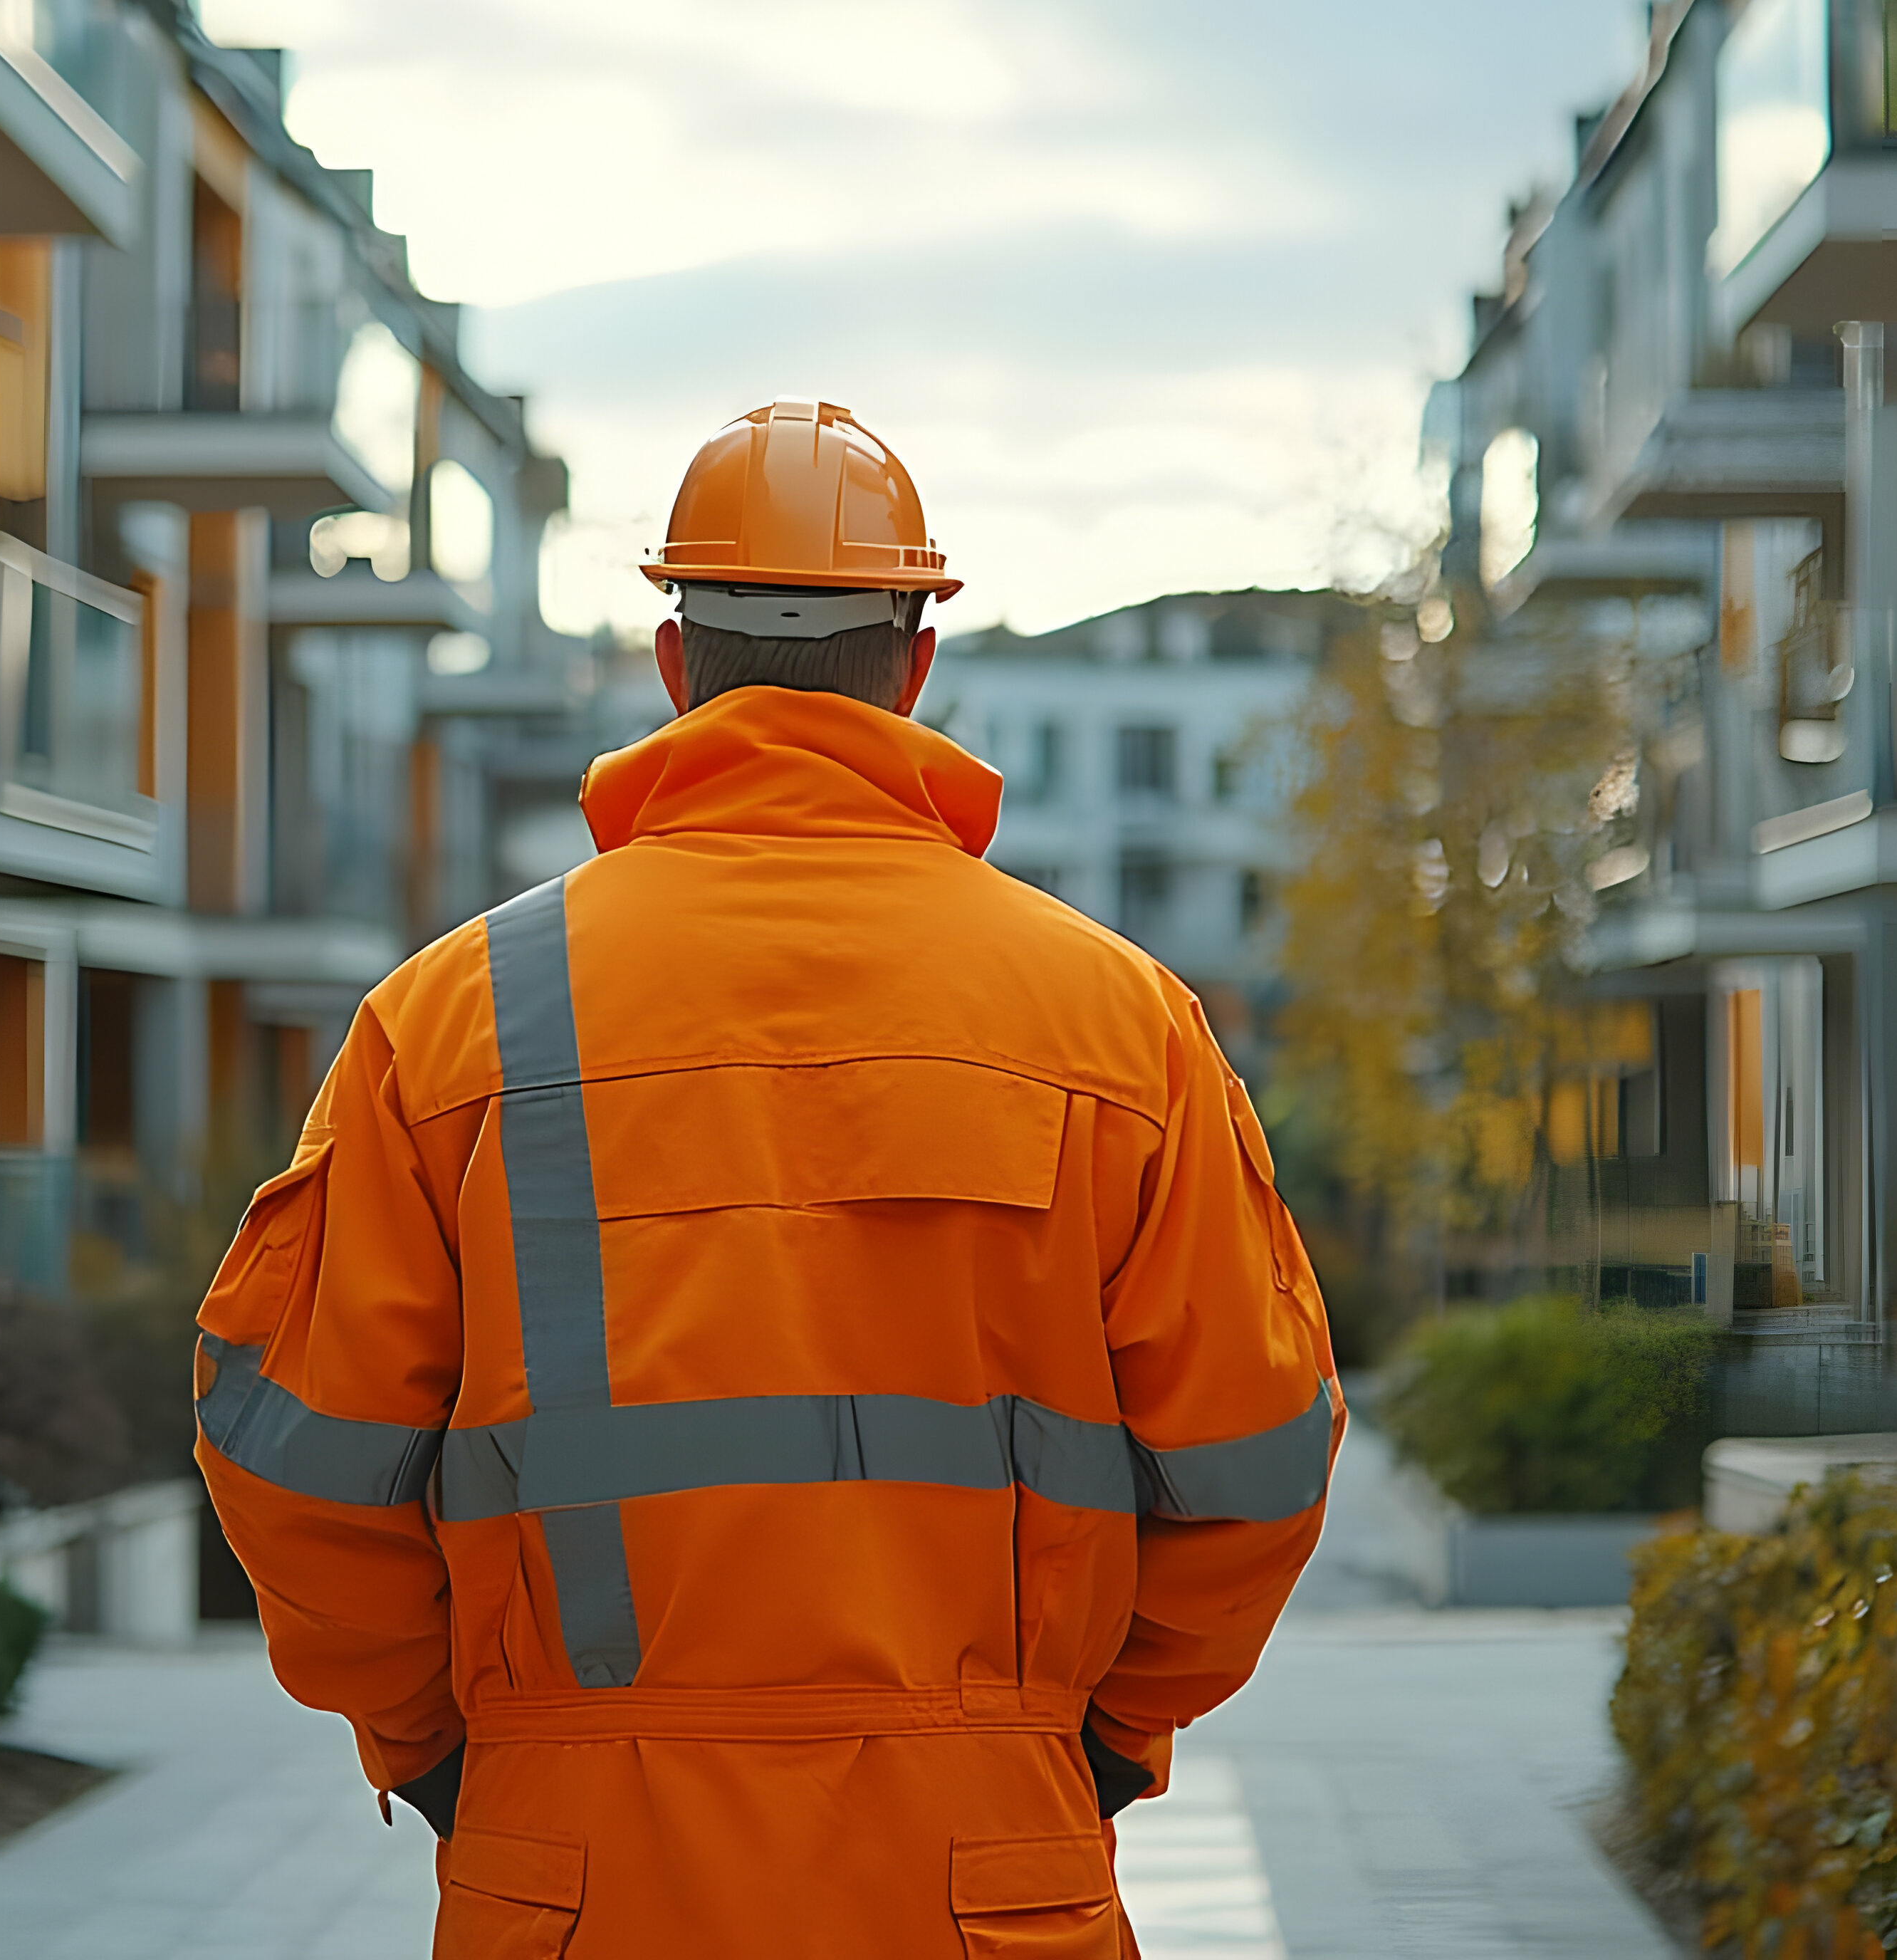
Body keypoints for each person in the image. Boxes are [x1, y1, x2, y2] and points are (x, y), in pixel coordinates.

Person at [193, 398, 1337, 1958]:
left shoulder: (456, 1019)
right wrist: (1087, 1736)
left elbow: (299, 1464)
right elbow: (1256, 1456)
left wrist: (451, 1743)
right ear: (916, 661)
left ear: (674, 663)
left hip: (575, 1874)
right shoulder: (1114, 1023)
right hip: (987, 1876)